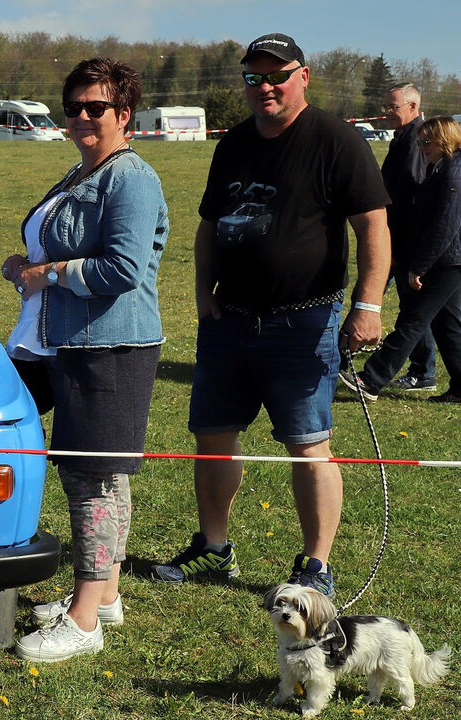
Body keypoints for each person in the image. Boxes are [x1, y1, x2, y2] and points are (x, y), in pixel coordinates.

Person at [151, 33, 391, 599]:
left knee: (309, 444)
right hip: (228, 319)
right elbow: (210, 223)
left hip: (303, 321)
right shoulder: (233, 142)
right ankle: (213, 547)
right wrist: (202, 291)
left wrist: (368, 304)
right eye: (254, 77)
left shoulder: (337, 140)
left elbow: (374, 226)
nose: (265, 87)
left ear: (302, 76)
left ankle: (317, 566)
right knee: (212, 437)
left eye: (276, 75)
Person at [1, 57, 168, 662]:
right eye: (73, 107)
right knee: (99, 475)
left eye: (95, 108)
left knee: (92, 478)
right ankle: (106, 597)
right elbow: (51, 249)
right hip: (54, 343)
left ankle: (84, 620)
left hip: (108, 348)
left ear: (125, 114)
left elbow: (123, 270)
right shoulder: (79, 174)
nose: (81, 118)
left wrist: (51, 272)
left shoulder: (131, 179)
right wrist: (23, 268)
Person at [339, 117, 461, 404]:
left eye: (426, 142)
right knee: (449, 325)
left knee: (413, 320)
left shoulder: (453, 173)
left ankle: (371, 379)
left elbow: (446, 225)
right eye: (419, 142)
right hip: (448, 260)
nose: (421, 148)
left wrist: (421, 265)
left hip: (446, 262)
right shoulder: (443, 168)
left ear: (445, 140)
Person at [381, 83, 436, 391]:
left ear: (413, 107)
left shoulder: (416, 140)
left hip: (403, 237)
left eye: (393, 107)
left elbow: (412, 190)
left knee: (412, 307)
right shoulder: (403, 136)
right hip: (395, 233)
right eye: (386, 106)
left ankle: (423, 370)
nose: (387, 112)